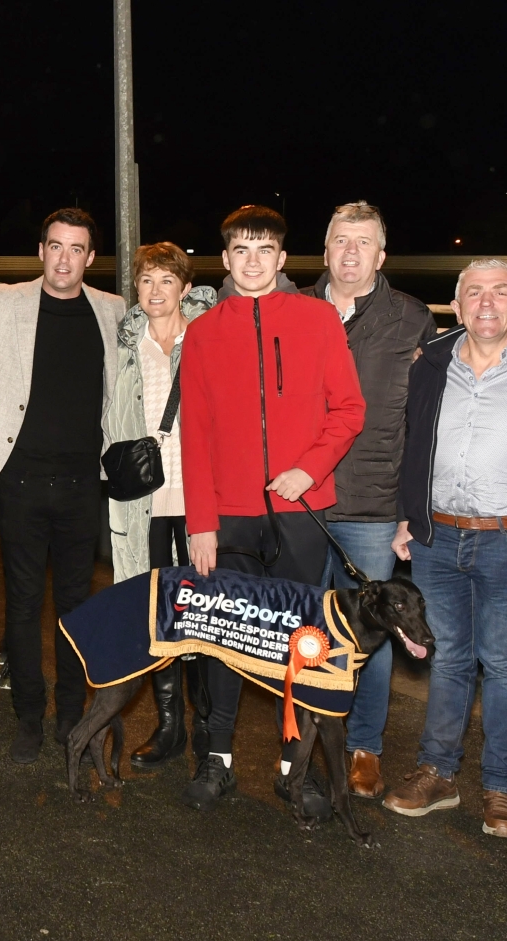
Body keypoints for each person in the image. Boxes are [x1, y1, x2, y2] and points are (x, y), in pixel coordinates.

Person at [179, 205, 365, 814]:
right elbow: (196, 434)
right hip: (228, 516)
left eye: (265, 250)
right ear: (226, 260)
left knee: (301, 641)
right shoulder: (203, 332)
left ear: (283, 259)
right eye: (241, 251)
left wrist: (307, 469)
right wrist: (201, 522)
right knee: (226, 638)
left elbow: (348, 410)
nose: (253, 261)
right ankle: (219, 759)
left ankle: (296, 767)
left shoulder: (317, 320)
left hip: (300, 510)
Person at [387, 259, 507, 839]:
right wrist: (408, 517)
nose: (486, 302)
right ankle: (438, 772)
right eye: (473, 293)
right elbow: (412, 445)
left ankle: (502, 788)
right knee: (450, 659)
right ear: (455, 307)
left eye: (500, 292)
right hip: (436, 537)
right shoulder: (430, 365)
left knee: (504, 665)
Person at [0, 208, 125, 763]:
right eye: (55, 246)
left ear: (90, 257)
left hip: (83, 486)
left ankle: (71, 714)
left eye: (75, 249)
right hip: (21, 483)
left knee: (77, 607)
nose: (63, 258)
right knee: (23, 606)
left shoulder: (113, 310)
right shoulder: (6, 303)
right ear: (41, 250)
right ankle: (29, 716)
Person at [298, 202, 436, 799]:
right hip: (299, 504)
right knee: (302, 629)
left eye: (363, 243)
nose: (349, 252)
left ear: (381, 255)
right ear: (324, 250)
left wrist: (412, 507)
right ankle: (301, 740)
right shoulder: (293, 309)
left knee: (371, 639)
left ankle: (364, 749)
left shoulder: (411, 319)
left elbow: (426, 422)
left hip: (373, 507)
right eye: (339, 241)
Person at [103, 242, 218, 768]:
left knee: (205, 615)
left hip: (200, 504)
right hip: (147, 504)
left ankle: (210, 732)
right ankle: (170, 725)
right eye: (146, 281)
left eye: (165, 281)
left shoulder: (207, 337)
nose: (154, 291)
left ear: (185, 288)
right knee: (160, 617)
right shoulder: (125, 345)